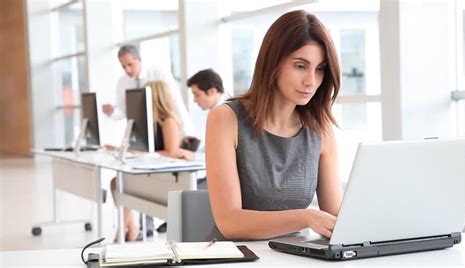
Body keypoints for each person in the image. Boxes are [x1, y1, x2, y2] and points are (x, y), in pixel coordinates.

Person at [205, 10, 343, 240]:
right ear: (273, 63)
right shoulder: (225, 119)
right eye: (300, 66)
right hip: (237, 256)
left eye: (320, 69)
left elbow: (334, 216)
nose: (311, 81)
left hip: (293, 257)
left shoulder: (320, 129)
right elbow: (229, 221)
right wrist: (305, 217)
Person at [110, 81, 194, 241]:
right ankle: (132, 227)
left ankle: (122, 232)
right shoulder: (149, 122)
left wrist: (144, 154)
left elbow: (171, 152)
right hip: (152, 171)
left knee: (121, 184)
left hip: (166, 176)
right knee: (117, 183)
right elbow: (145, 149)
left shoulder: (168, 120)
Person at [102, 45, 194, 137]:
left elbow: (175, 101)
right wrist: (111, 111)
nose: (127, 70)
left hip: (162, 126)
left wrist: (188, 133)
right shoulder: (122, 82)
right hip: (140, 131)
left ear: (139, 59)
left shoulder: (159, 73)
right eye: (123, 66)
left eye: (130, 64)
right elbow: (123, 111)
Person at [178, 69, 227, 162]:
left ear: (212, 91)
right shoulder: (217, 111)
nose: (194, 100)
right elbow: (212, 150)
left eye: (197, 95)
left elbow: (223, 156)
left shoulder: (224, 113)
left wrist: (194, 157)